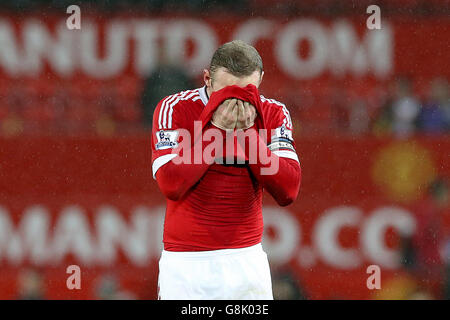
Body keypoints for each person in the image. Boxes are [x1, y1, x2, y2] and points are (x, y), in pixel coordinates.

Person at [151, 40, 301, 300]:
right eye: (227, 92)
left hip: (246, 259)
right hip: (186, 264)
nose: (236, 101)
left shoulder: (274, 112)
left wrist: (247, 135)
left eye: (246, 92)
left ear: (260, 80)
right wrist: (217, 131)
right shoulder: (175, 108)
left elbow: (288, 190)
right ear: (207, 79)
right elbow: (171, 184)